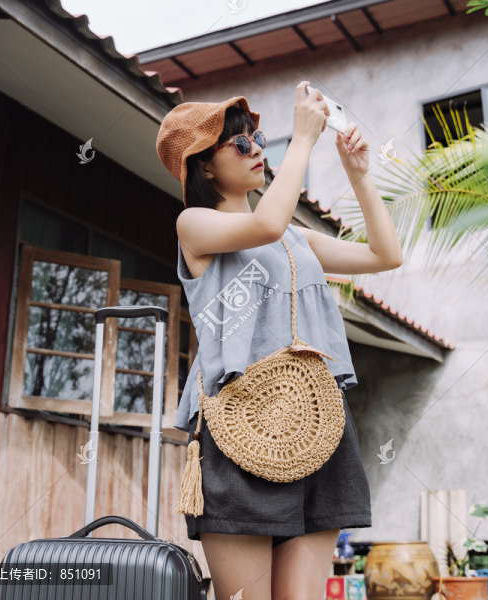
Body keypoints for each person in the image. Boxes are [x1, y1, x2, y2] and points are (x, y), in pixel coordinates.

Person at [155, 81, 403, 600]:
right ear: (203, 165)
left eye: (260, 139)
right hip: (242, 424)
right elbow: (266, 222)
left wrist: (359, 176)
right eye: (240, 144)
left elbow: (384, 255)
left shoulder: (295, 238)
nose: (257, 151)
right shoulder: (194, 225)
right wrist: (304, 142)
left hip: (316, 419)